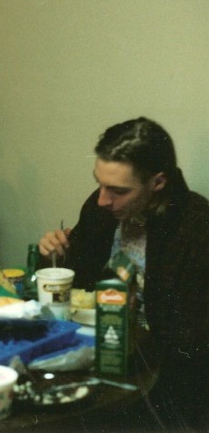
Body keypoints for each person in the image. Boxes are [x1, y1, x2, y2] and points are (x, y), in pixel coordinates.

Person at [38, 117, 209, 430]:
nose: (103, 199)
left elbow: (193, 351)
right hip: (92, 363)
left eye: (118, 190)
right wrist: (53, 256)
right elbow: (71, 284)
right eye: (99, 183)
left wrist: (132, 324)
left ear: (157, 182)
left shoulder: (197, 229)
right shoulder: (102, 208)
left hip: (160, 391)